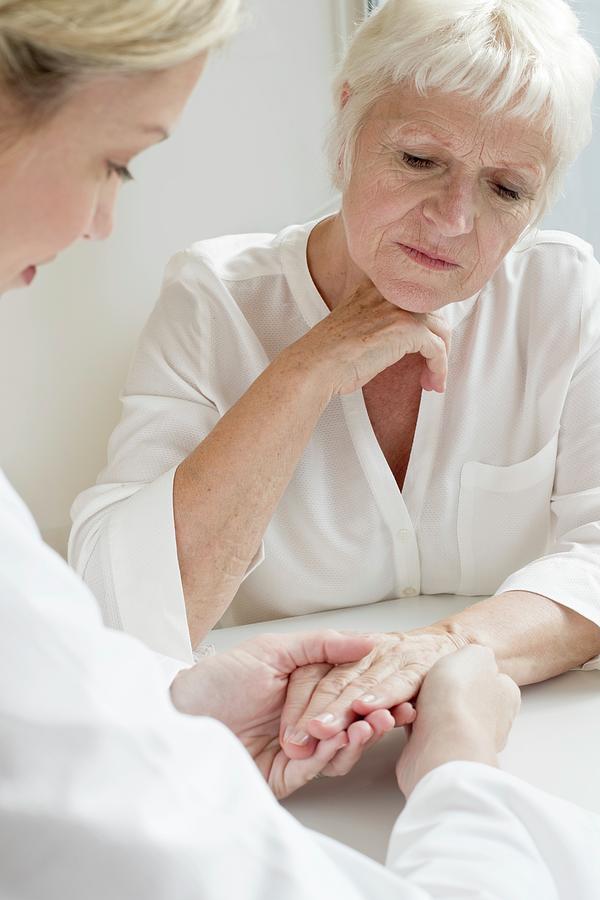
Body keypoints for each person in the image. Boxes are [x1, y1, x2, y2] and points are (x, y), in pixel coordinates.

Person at [2, 2, 600, 898]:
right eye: (418, 160)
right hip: (296, 791)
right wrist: (308, 369)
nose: (451, 221)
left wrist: (438, 649)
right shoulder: (216, 296)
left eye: (506, 190)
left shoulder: (564, 297)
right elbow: (120, 609)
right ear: (348, 121)